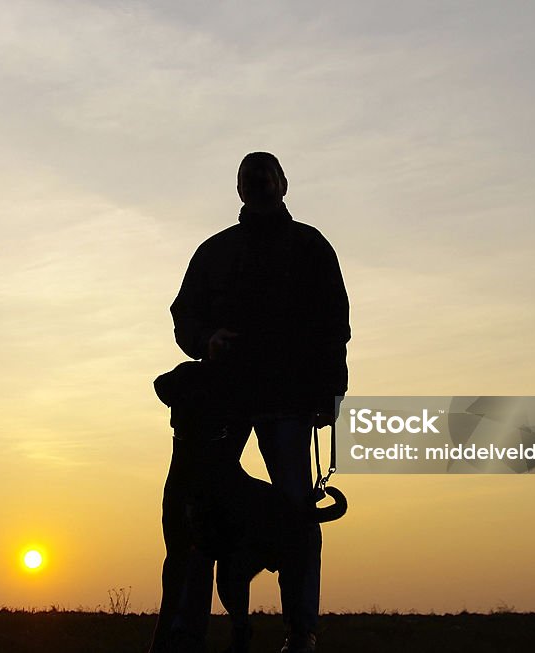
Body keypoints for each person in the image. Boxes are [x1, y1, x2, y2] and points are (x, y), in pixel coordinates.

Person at [158, 152, 350, 653]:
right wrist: (206, 341)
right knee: (202, 515)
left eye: (267, 177)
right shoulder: (215, 252)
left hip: (288, 402)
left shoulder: (311, 248)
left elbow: (335, 327)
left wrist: (331, 393)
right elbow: (184, 316)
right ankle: (185, 632)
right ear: (240, 190)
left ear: (283, 184)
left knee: (297, 513)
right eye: (250, 179)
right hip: (222, 402)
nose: (260, 185)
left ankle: (301, 630)